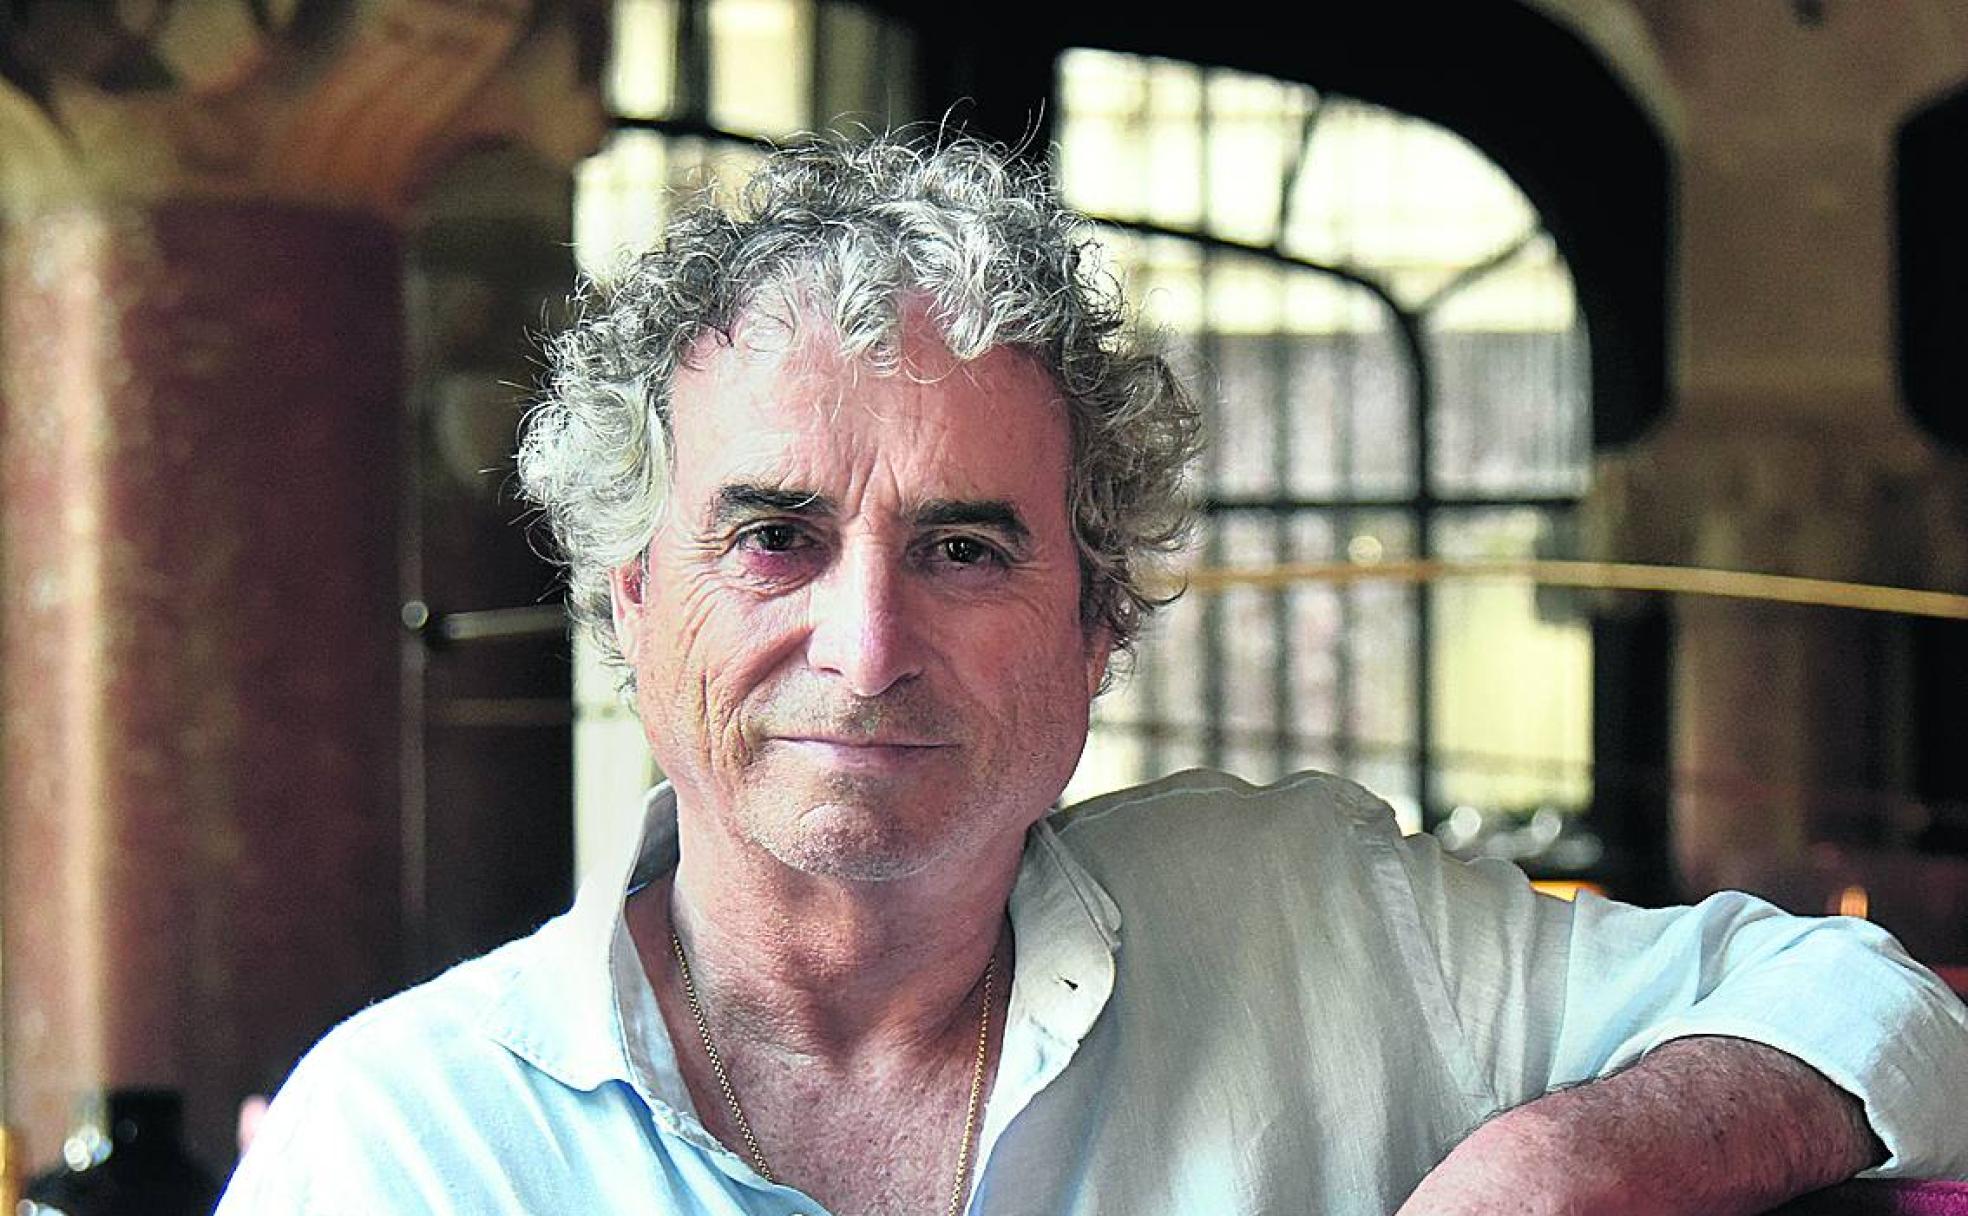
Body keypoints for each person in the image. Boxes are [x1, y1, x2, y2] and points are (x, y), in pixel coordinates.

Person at [219, 134, 1968, 1215]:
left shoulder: (1325, 932)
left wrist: (1568, 1165)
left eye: (965, 550)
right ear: (629, 604)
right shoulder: (406, 1150)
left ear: (1096, 628)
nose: (866, 646)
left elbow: (1884, 1013)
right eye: (775, 537)